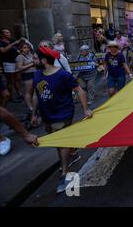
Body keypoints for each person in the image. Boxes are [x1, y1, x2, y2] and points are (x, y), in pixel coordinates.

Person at [31, 46, 92, 192]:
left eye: (34, 58)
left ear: (44, 61)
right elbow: (36, 95)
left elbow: (79, 90)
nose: (32, 60)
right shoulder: (37, 74)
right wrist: (34, 113)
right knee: (59, 143)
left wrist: (85, 109)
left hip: (63, 114)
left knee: (61, 143)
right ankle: (72, 151)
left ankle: (65, 172)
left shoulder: (63, 75)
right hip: (47, 116)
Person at [0, 28, 23, 102]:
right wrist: (14, 44)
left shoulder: (11, 41)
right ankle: (11, 97)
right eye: (6, 32)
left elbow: (16, 50)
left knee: (18, 79)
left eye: (9, 32)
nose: (9, 33)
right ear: (2, 35)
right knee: (10, 81)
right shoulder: (0, 41)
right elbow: (3, 50)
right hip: (7, 62)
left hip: (15, 61)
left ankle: (19, 94)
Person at [15, 42, 37, 119]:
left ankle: (35, 107)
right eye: (24, 47)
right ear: (21, 49)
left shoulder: (30, 54)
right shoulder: (20, 57)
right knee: (28, 91)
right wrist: (31, 64)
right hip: (27, 75)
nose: (27, 49)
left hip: (34, 73)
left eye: (27, 47)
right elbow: (19, 68)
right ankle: (30, 107)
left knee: (35, 91)